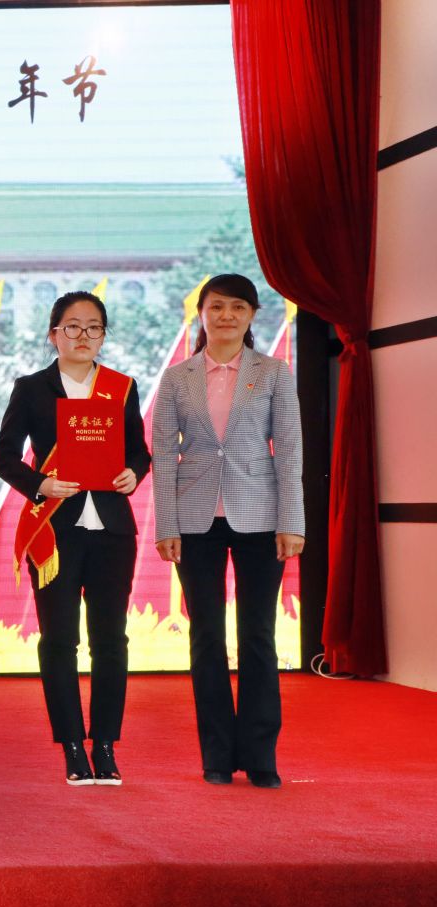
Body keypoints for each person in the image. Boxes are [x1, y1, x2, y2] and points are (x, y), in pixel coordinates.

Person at [0, 292, 151, 785]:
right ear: (53, 334)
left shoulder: (121, 387)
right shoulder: (31, 388)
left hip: (112, 531)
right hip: (55, 530)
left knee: (111, 640)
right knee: (60, 640)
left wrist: (133, 473)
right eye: (73, 327)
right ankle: (72, 746)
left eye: (94, 327)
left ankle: (104, 743)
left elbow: (139, 452)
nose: (83, 336)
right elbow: (3, 456)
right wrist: (40, 484)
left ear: (103, 335)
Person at [152, 274, 304, 788]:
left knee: (258, 635)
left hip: (260, 518)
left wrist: (292, 521)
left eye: (238, 307)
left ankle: (261, 756)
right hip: (195, 520)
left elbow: (289, 449)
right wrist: (167, 524)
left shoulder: (274, 372)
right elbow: (162, 456)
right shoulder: (178, 377)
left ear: (252, 315)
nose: (226, 316)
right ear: (202, 313)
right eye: (216, 307)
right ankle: (216, 755)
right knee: (206, 636)